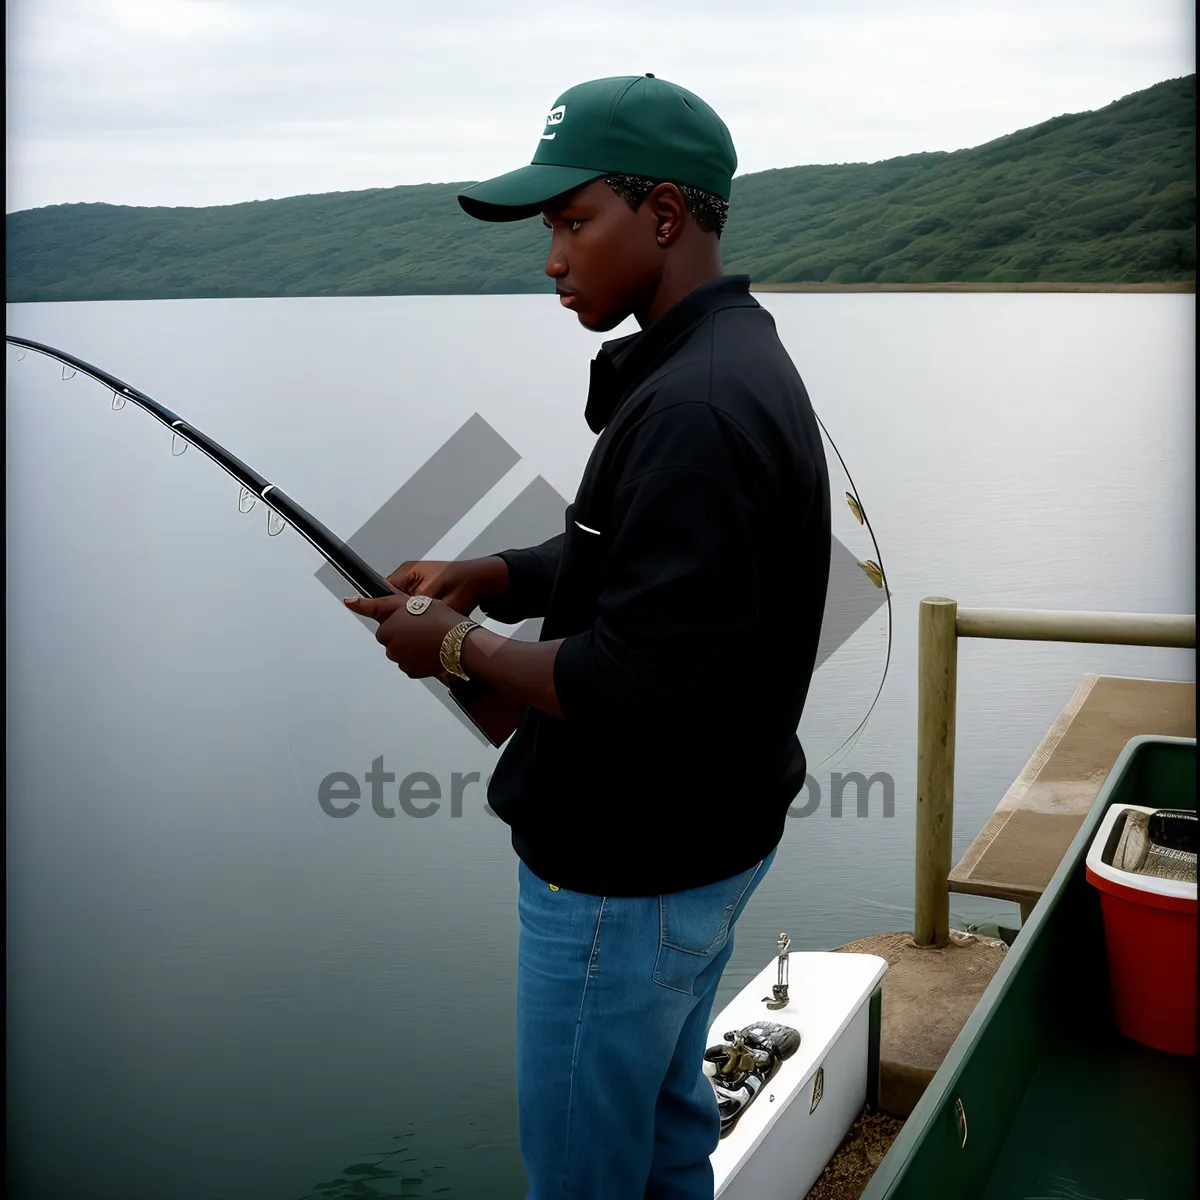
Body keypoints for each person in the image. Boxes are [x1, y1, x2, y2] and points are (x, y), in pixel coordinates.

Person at [344, 73, 831, 1200]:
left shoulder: (696, 407)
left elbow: (637, 677)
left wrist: (449, 645)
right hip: (706, 846)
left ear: (662, 215)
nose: (553, 258)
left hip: (624, 877)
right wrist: (496, 576)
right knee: (665, 1136)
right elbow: (645, 570)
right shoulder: (717, 366)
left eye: (572, 223)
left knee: (580, 1176)